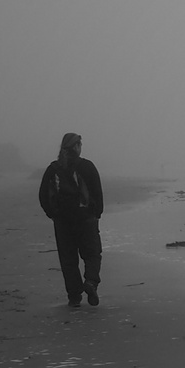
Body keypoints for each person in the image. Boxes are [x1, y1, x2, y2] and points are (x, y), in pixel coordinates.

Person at [38, 132, 104, 307]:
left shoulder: (53, 169)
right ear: (76, 146)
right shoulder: (87, 167)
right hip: (86, 220)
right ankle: (90, 282)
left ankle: (74, 297)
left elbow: (43, 196)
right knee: (92, 254)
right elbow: (97, 192)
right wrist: (97, 214)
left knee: (68, 259)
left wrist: (53, 214)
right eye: (80, 144)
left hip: (63, 222)